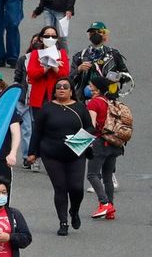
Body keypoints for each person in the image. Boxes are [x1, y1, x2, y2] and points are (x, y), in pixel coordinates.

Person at [26, 77, 93, 235]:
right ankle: (63, 222)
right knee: (60, 187)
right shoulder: (47, 108)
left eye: (65, 87)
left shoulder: (79, 107)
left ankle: (74, 211)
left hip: (76, 153)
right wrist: (32, 152)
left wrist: (79, 140)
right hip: (52, 153)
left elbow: (90, 126)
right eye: (58, 87)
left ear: (71, 91)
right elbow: (37, 131)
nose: (62, 89)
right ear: (54, 91)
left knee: (76, 188)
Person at [85, 77, 124, 219]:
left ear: (96, 88)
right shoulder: (111, 102)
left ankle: (104, 203)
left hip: (101, 143)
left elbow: (92, 126)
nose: (88, 87)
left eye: (90, 85)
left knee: (92, 175)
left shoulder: (94, 103)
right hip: (114, 143)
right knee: (108, 176)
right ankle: (110, 209)